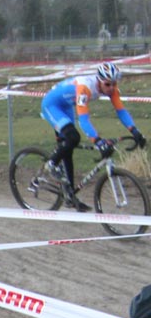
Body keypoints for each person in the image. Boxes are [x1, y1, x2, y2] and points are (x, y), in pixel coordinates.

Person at [41, 62, 146, 212]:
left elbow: (121, 111)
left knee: (68, 149)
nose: (111, 88)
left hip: (66, 105)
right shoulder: (85, 88)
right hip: (52, 105)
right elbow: (84, 120)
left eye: (114, 84)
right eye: (107, 84)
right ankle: (51, 163)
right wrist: (97, 141)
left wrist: (135, 131)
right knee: (73, 138)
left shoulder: (112, 89)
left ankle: (69, 196)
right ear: (99, 80)